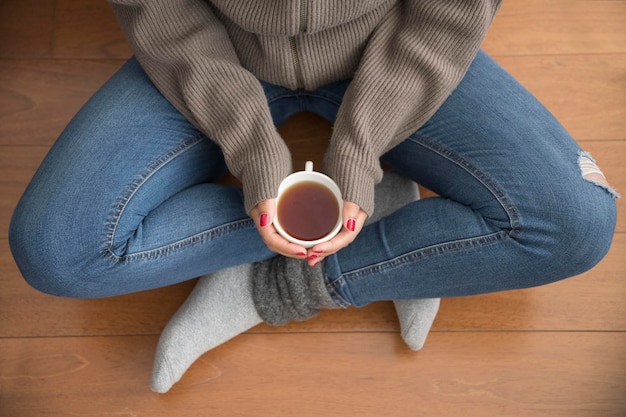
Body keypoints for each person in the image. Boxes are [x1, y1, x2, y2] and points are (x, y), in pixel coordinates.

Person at [9, 0, 618, 394]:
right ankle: (372, 225)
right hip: (215, 56)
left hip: (390, 51)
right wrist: (254, 155)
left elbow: (449, 13)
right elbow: (162, 13)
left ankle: (277, 282)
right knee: (56, 252)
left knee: (576, 222)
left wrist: (358, 149)